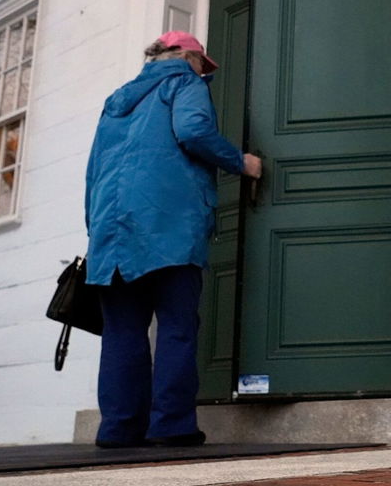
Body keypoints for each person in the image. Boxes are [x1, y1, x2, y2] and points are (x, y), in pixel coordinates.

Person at [84, 31, 261, 447]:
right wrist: (242, 162)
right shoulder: (184, 83)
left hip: (111, 231)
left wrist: (97, 231)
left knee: (122, 331)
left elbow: (93, 171)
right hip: (170, 225)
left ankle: (118, 429)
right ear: (185, 55)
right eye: (204, 63)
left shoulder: (118, 99)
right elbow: (193, 130)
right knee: (177, 327)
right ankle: (171, 426)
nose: (206, 74)